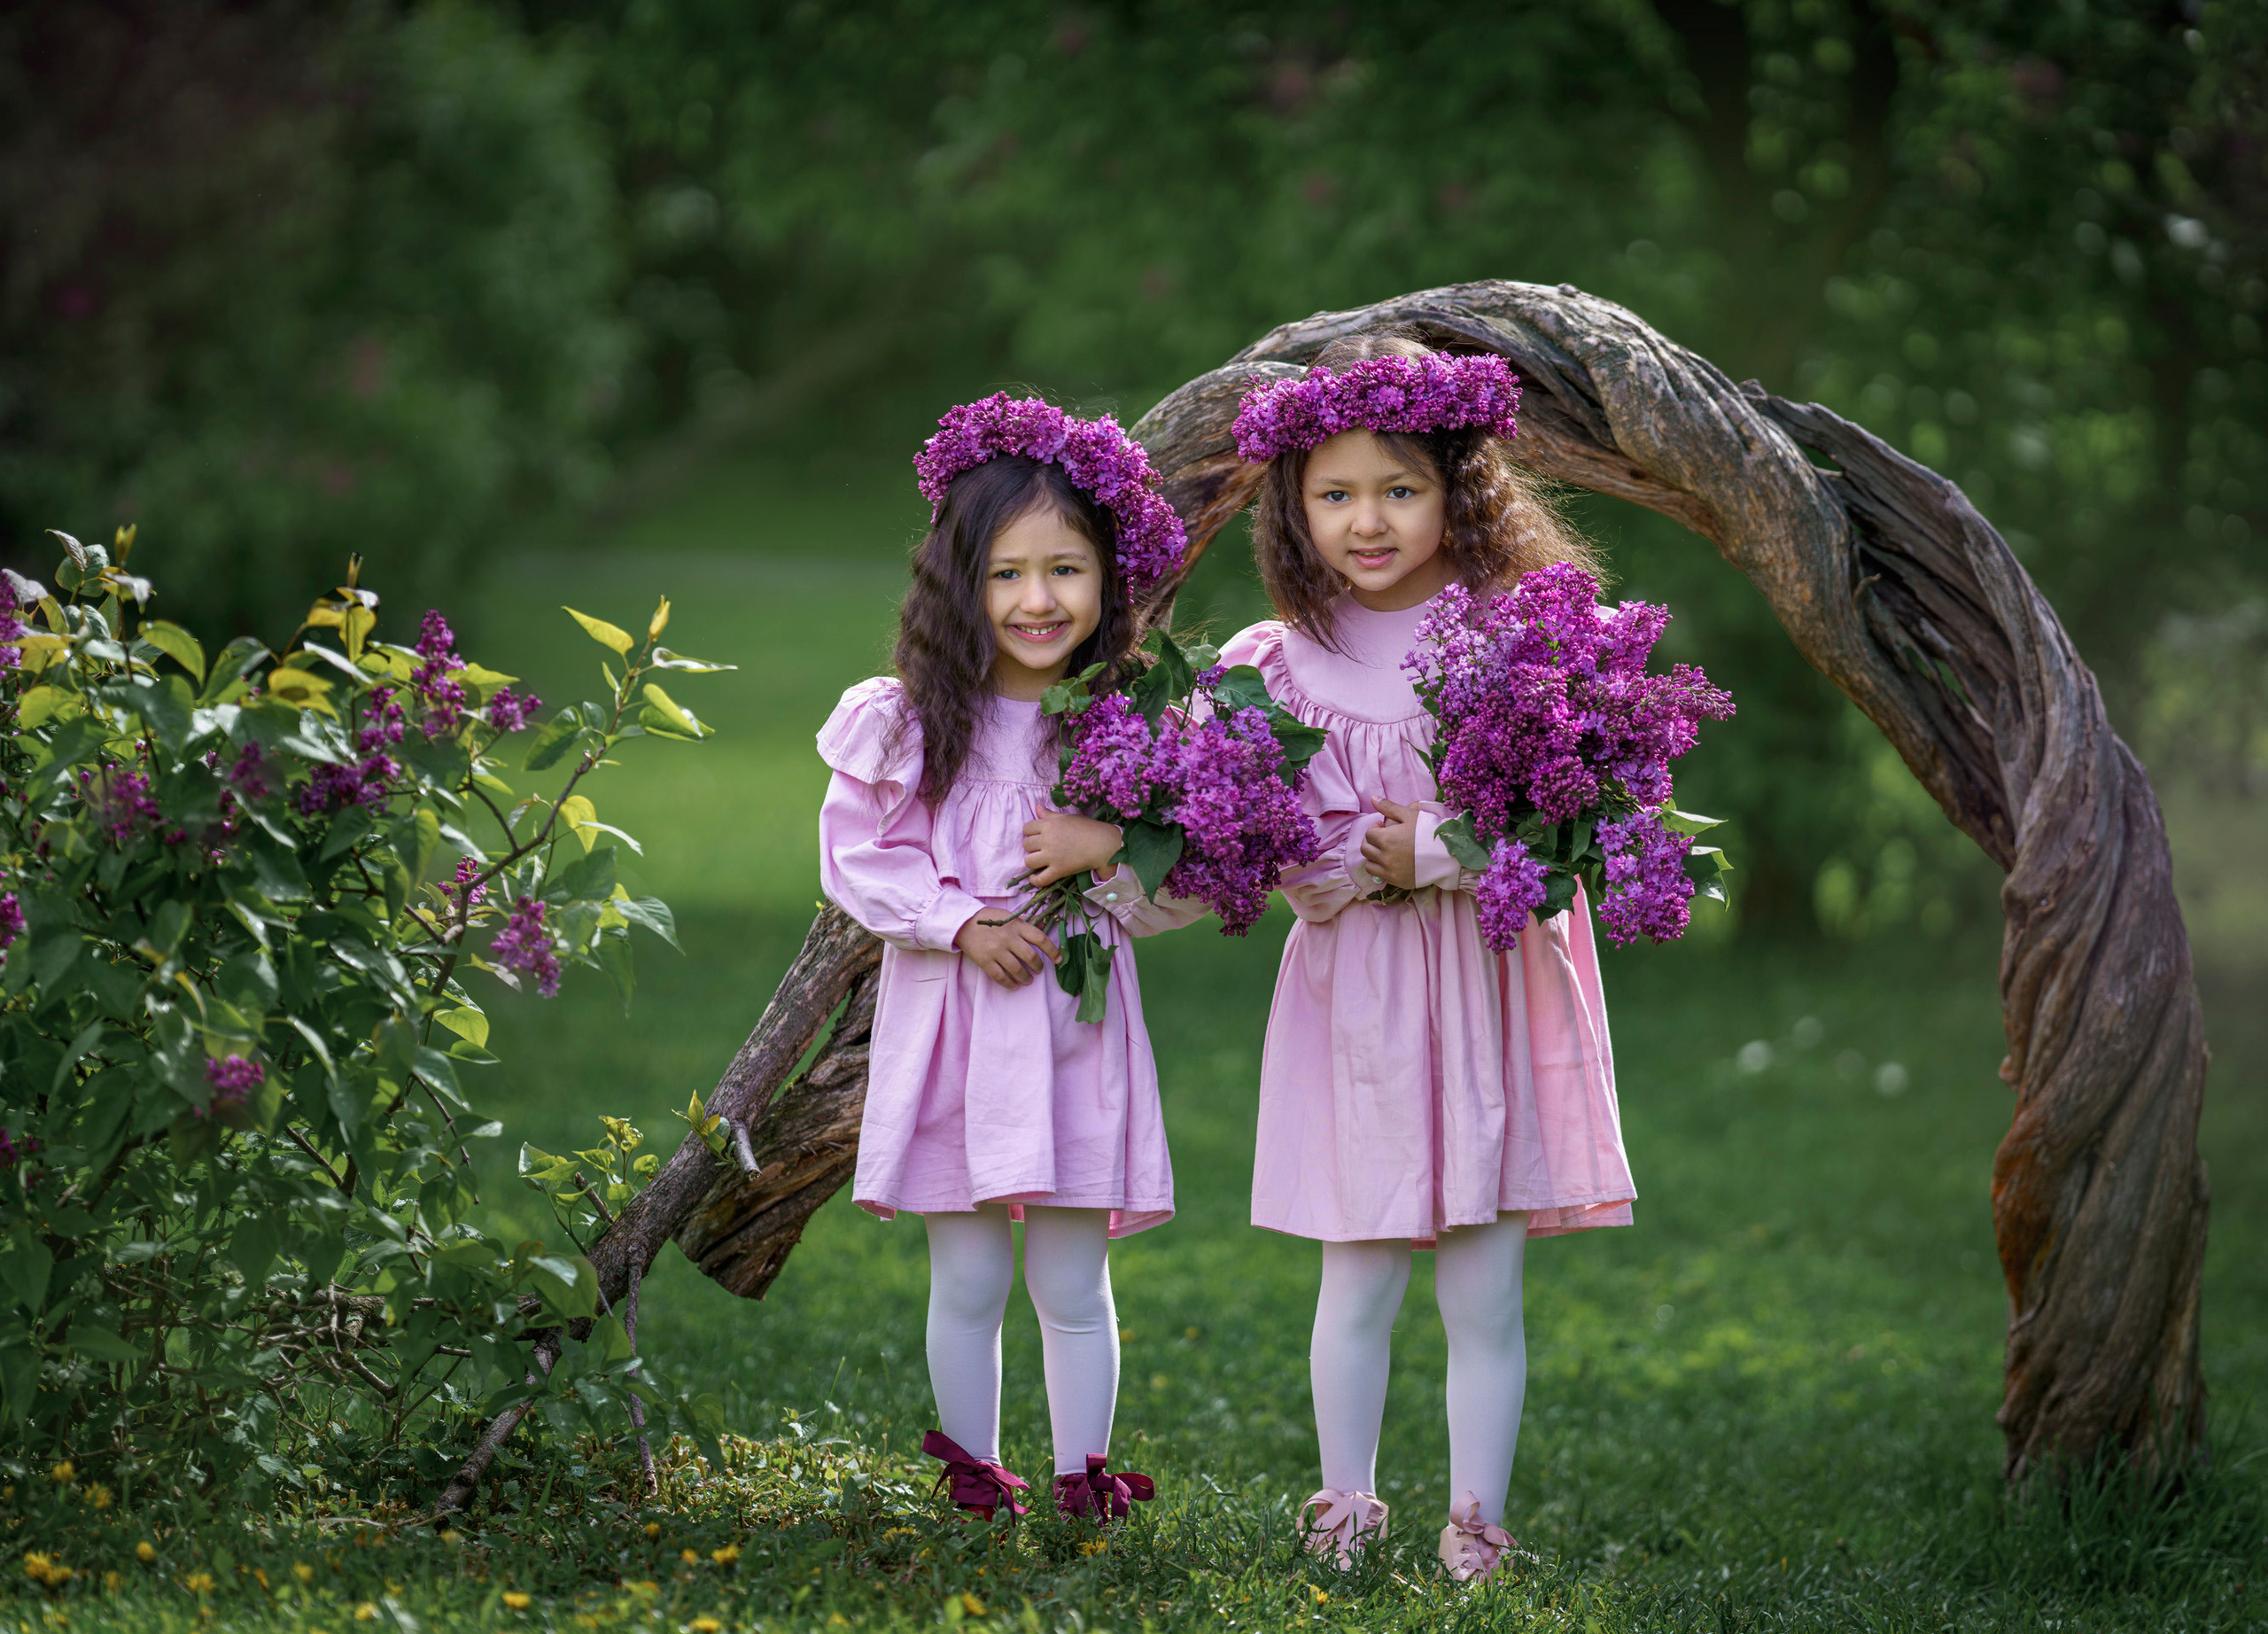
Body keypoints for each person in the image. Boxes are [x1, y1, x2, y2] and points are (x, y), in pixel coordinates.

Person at [1222, 335, 1635, 1583]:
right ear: (1294, 505)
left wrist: (1446, 848)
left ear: (1461, 485)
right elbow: (1264, 844)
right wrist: (1362, 861)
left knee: (1483, 1289)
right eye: (1335, 493)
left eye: (1400, 487)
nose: (1368, 520)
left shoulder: (1528, 636)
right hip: (1358, 1001)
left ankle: (1474, 1525)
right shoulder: (1276, 663)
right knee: (1355, 1279)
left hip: (1497, 984)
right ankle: (1344, 1507)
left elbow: (1580, 821)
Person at [817, 394, 1200, 1524]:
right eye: (1007, 574)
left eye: (1065, 570)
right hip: (955, 1029)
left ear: (1107, 580)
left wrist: (1107, 847)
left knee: (1073, 1279)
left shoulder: (1131, 726)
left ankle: (1085, 1472)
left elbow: (1186, 888)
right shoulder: (909, 719)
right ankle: (976, 1474)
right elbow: (856, 856)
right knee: (971, 1275)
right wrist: (959, 924)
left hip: (1075, 1028)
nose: (1038, 600)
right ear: (960, 584)